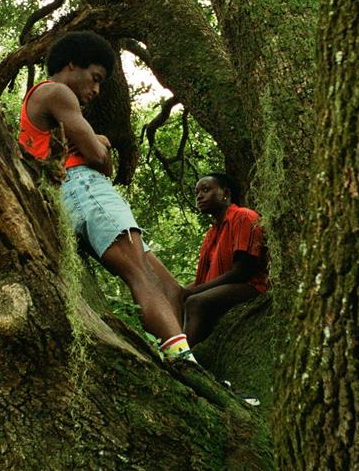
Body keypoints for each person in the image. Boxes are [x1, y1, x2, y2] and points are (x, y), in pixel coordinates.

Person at [19, 31, 193, 362]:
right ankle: (183, 360)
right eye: (95, 78)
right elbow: (100, 161)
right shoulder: (56, 92)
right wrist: (98, 143)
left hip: (67, 197)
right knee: (140, 275)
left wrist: (96, 144)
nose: (96, 91)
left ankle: (183, 348)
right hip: (83, 188)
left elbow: (102, 161)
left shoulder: (38, 105)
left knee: (166, 285)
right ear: (71, 65)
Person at [183, 173, 268, 345]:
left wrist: (195, 291)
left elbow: (243, 271)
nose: (199, 196)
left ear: (226, 194)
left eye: (206, 190)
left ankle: (183, 360)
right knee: (178, 296)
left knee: (195, 301)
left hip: (252, 285)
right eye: (196, 192)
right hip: (227, 286)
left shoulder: (244, 216)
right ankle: (172, 348)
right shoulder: (212, 233)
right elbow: (206, 276)